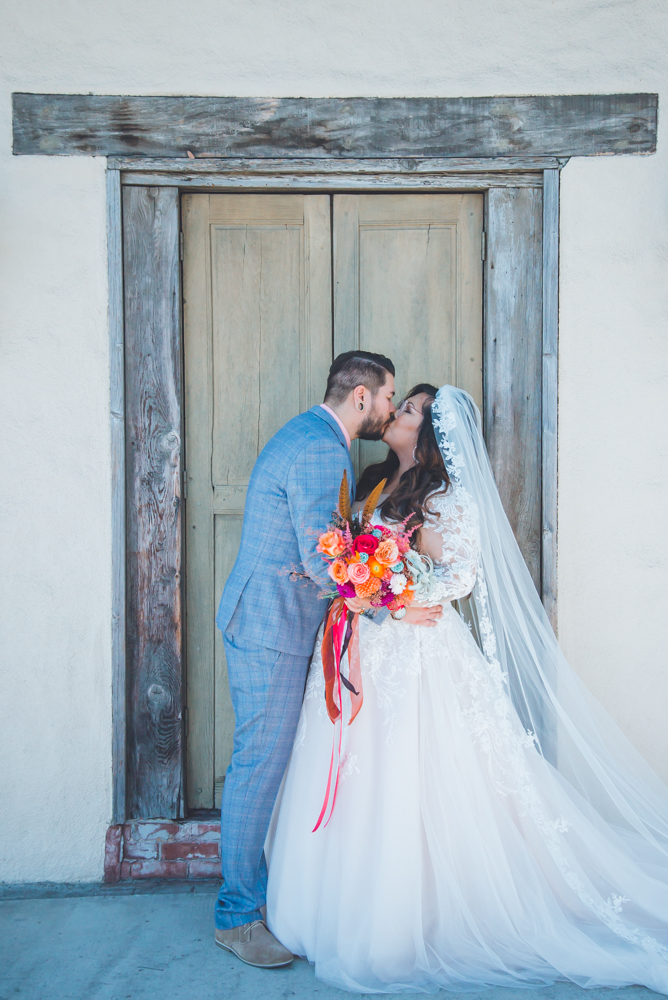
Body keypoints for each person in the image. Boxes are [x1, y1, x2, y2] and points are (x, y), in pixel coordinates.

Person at [265, 383, 668, 993]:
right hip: (367, 647)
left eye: (408, 411)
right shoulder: (375, 481)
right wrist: (370, 590)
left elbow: (460, 576)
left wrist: (401, 594)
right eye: (397, 405)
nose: (396, 415)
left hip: (419, 653)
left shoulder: (451, 499)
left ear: (429, 436)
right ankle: (326, 904)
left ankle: (403, 919)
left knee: (408, 775)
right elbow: (349, 558)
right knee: (353, 770)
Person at [214, 352, 442, 968]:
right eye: (390, 396)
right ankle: (238, 917)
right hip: (270, 627)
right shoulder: (320, 449)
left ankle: (258, 901)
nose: (393, 408)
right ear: (363, 396)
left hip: (279, 624)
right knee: (258, 765)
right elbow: (323, 561)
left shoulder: (316, 437)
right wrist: (390, 612)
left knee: (263, 764)